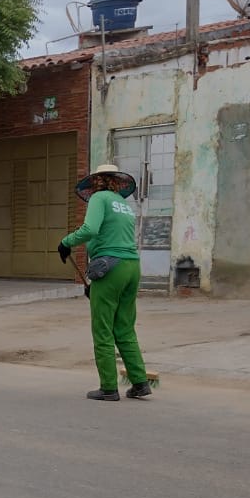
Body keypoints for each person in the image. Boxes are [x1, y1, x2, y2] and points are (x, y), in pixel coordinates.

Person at [58, 163, 151, 401]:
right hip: (131, 267)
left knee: (103, 329)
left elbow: (90, 229)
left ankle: (108, 387)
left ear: (96, 182)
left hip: (110, 267)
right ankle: (140, 383)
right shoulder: (124, 205)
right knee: (125, 327)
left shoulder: (99, 199)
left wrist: (66, 242)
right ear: (117, 182)